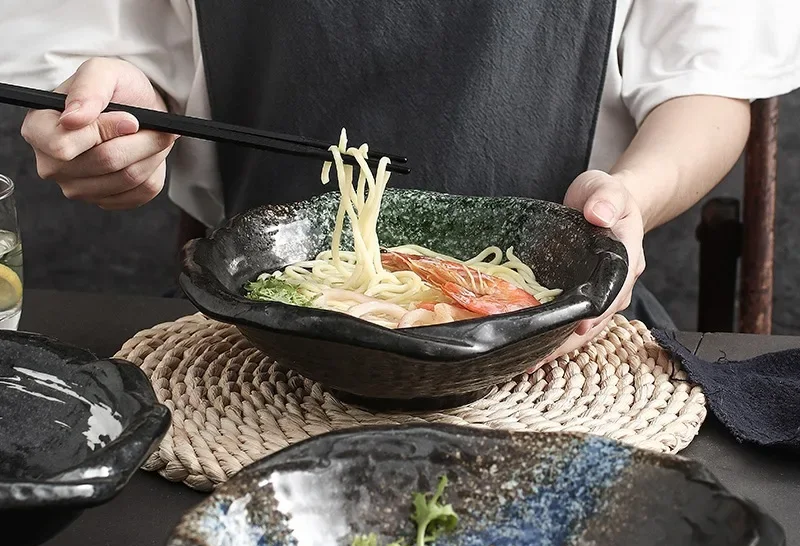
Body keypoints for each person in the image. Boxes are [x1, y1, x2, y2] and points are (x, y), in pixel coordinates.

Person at [3, 1, 799, 360]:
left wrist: (633, 194)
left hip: (560, 322)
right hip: (261, 327)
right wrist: (118, 110)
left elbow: (708, 86)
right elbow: (120, 42)